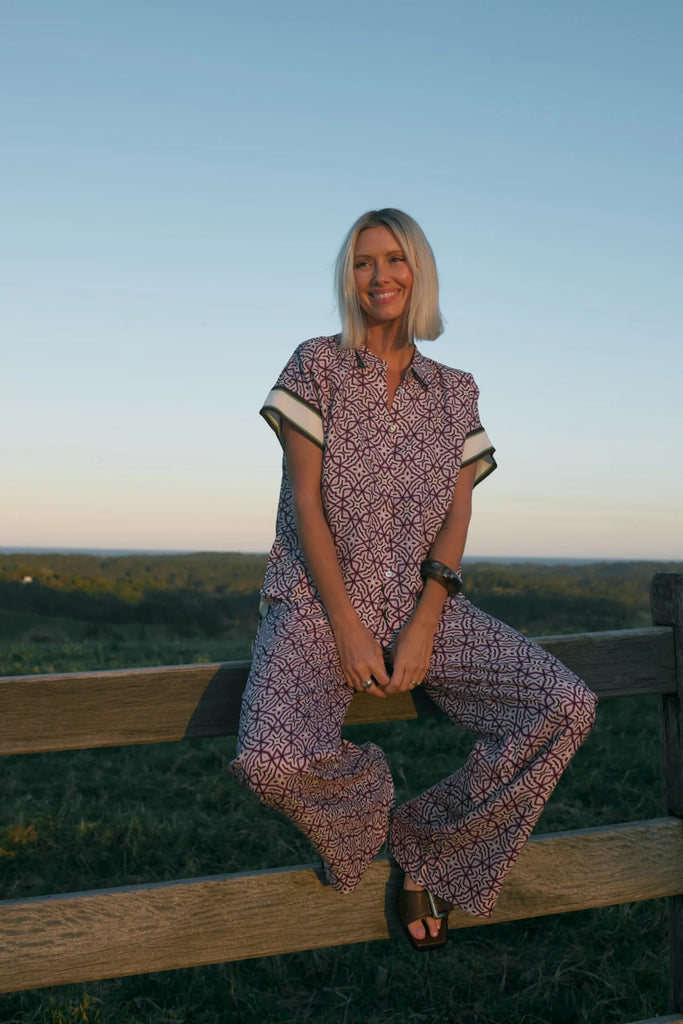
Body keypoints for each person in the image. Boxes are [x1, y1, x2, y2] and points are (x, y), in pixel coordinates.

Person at [227, 208, 597, 950]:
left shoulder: (455, 390)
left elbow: (456, 514)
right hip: (317, 601)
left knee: (565, 705)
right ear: (348, 277)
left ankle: (426, 838)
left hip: (425, 601)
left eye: (393, 260)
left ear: (417, 272)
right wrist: (346, 624)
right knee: (269, 762)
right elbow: (305, 505)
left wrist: (427, 617)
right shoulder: (316, 365)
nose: (379, 275)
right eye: (363, 263)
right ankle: (371, 810)